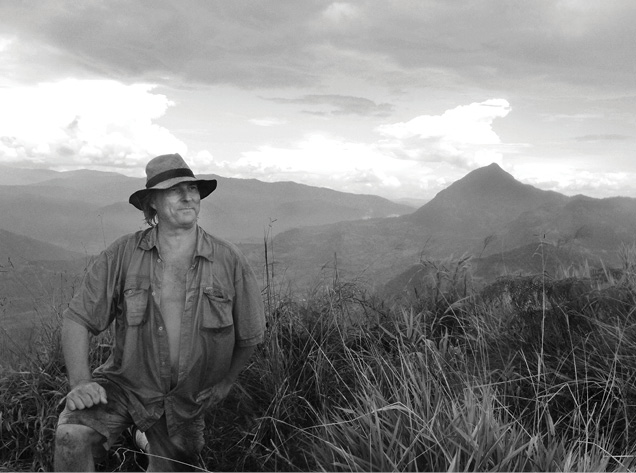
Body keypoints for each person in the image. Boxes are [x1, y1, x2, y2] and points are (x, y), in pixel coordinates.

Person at [54, 153, 265, 471]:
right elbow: (77, 318)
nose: (188, 196)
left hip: (186, 402)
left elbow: (250, 334)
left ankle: (143, 436)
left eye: (192, 188)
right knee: (72, 436)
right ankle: (132, 432)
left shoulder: (229, 260)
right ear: (151, 203)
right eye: (174, 189)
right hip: (126, 385)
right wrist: (81, 381)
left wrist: (226, 383)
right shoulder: (123, 254)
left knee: (174, 463)